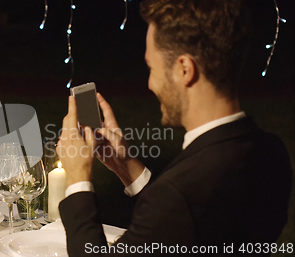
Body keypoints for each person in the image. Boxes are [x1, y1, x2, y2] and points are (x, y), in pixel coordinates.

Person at [57, 0, 292, 256]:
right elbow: (186, 227)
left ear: (184, 69)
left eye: (151, 68)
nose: (149, 84)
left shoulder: (178, 194)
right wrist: (126, 166)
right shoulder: (272, 152)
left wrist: (78, 179)